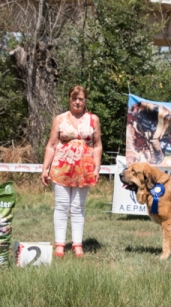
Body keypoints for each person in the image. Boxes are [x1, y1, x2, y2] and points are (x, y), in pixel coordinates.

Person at [41, 86, 103, 258]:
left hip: (85, 170)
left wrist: (97, 167)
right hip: (61, 168)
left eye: (81, 99)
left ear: (85, 101)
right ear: (69, 99)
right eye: (74, 98)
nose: (77, 102)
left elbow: (97, 145)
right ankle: (59, 245)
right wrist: (44, 168)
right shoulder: (59, 119)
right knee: (61, 206)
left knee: (78, 207)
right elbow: (51, 145)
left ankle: (77, 245)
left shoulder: (93, 119)